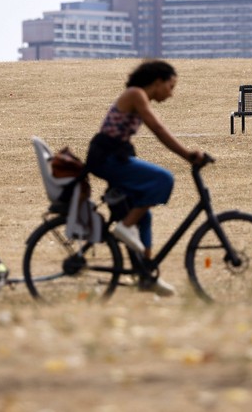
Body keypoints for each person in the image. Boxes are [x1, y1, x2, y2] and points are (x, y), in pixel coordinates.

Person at [86, 60, 203, 296]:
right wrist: (187, 155)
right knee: (164, 179)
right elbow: (158, 129)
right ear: (157, 82)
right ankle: (125, 226)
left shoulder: (138, 96)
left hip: (114, 157)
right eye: (170, 86)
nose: (171, 94)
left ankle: (145, 275)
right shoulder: (136, 94)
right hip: (107, 158)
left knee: (144, 216)